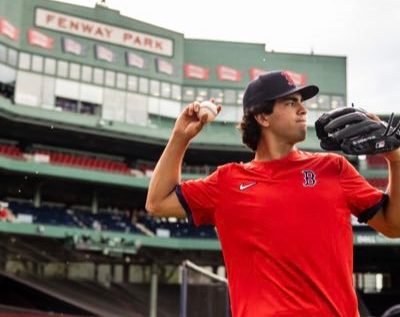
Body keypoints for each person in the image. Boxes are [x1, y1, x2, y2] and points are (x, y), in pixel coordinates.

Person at [146, 70, 400, 317]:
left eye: (301, 102)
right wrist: (180, 137)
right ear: (262, 118)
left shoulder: (334, 168)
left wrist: (396, 160)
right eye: (290, 103)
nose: (303, 110)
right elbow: (157, 203)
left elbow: (393, 226)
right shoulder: (227, 182)